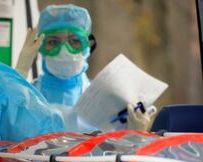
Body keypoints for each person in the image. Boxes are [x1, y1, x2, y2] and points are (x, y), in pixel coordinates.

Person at [16, 4, 153, 133]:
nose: (64, 51)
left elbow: (120, 152)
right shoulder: (26, 97)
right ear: (40, 46)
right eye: (53, 42)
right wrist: (18, 75)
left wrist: (136, 134)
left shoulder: (106, 102)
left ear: (87, 46)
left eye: (74, 41)